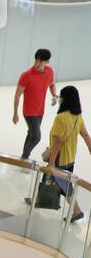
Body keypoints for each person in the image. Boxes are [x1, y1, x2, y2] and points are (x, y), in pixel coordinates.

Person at [43, 85, 91, 224]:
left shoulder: (61, 118)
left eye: (61, 96)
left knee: (63, 185)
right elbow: (86, 135)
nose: (59, 99)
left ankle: (77, 211)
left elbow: (57, 142)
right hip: (70, 159)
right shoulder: (77, 116)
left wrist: (51, 163)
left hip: (60, 158)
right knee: (58, 182)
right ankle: (37, 200)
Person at [13, 48, 57, 160]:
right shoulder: (26, 75)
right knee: (36, 137)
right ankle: (24, 157)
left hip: (40, 110)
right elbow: (17, 95)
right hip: (29, 111)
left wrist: (54, 95)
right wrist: (15, 113)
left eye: (40, 61)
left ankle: (23, 157)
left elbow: (52, 84)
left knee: (31, 134)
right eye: (36, 60)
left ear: (46, 62)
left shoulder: (49, 71)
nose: (37, 63)